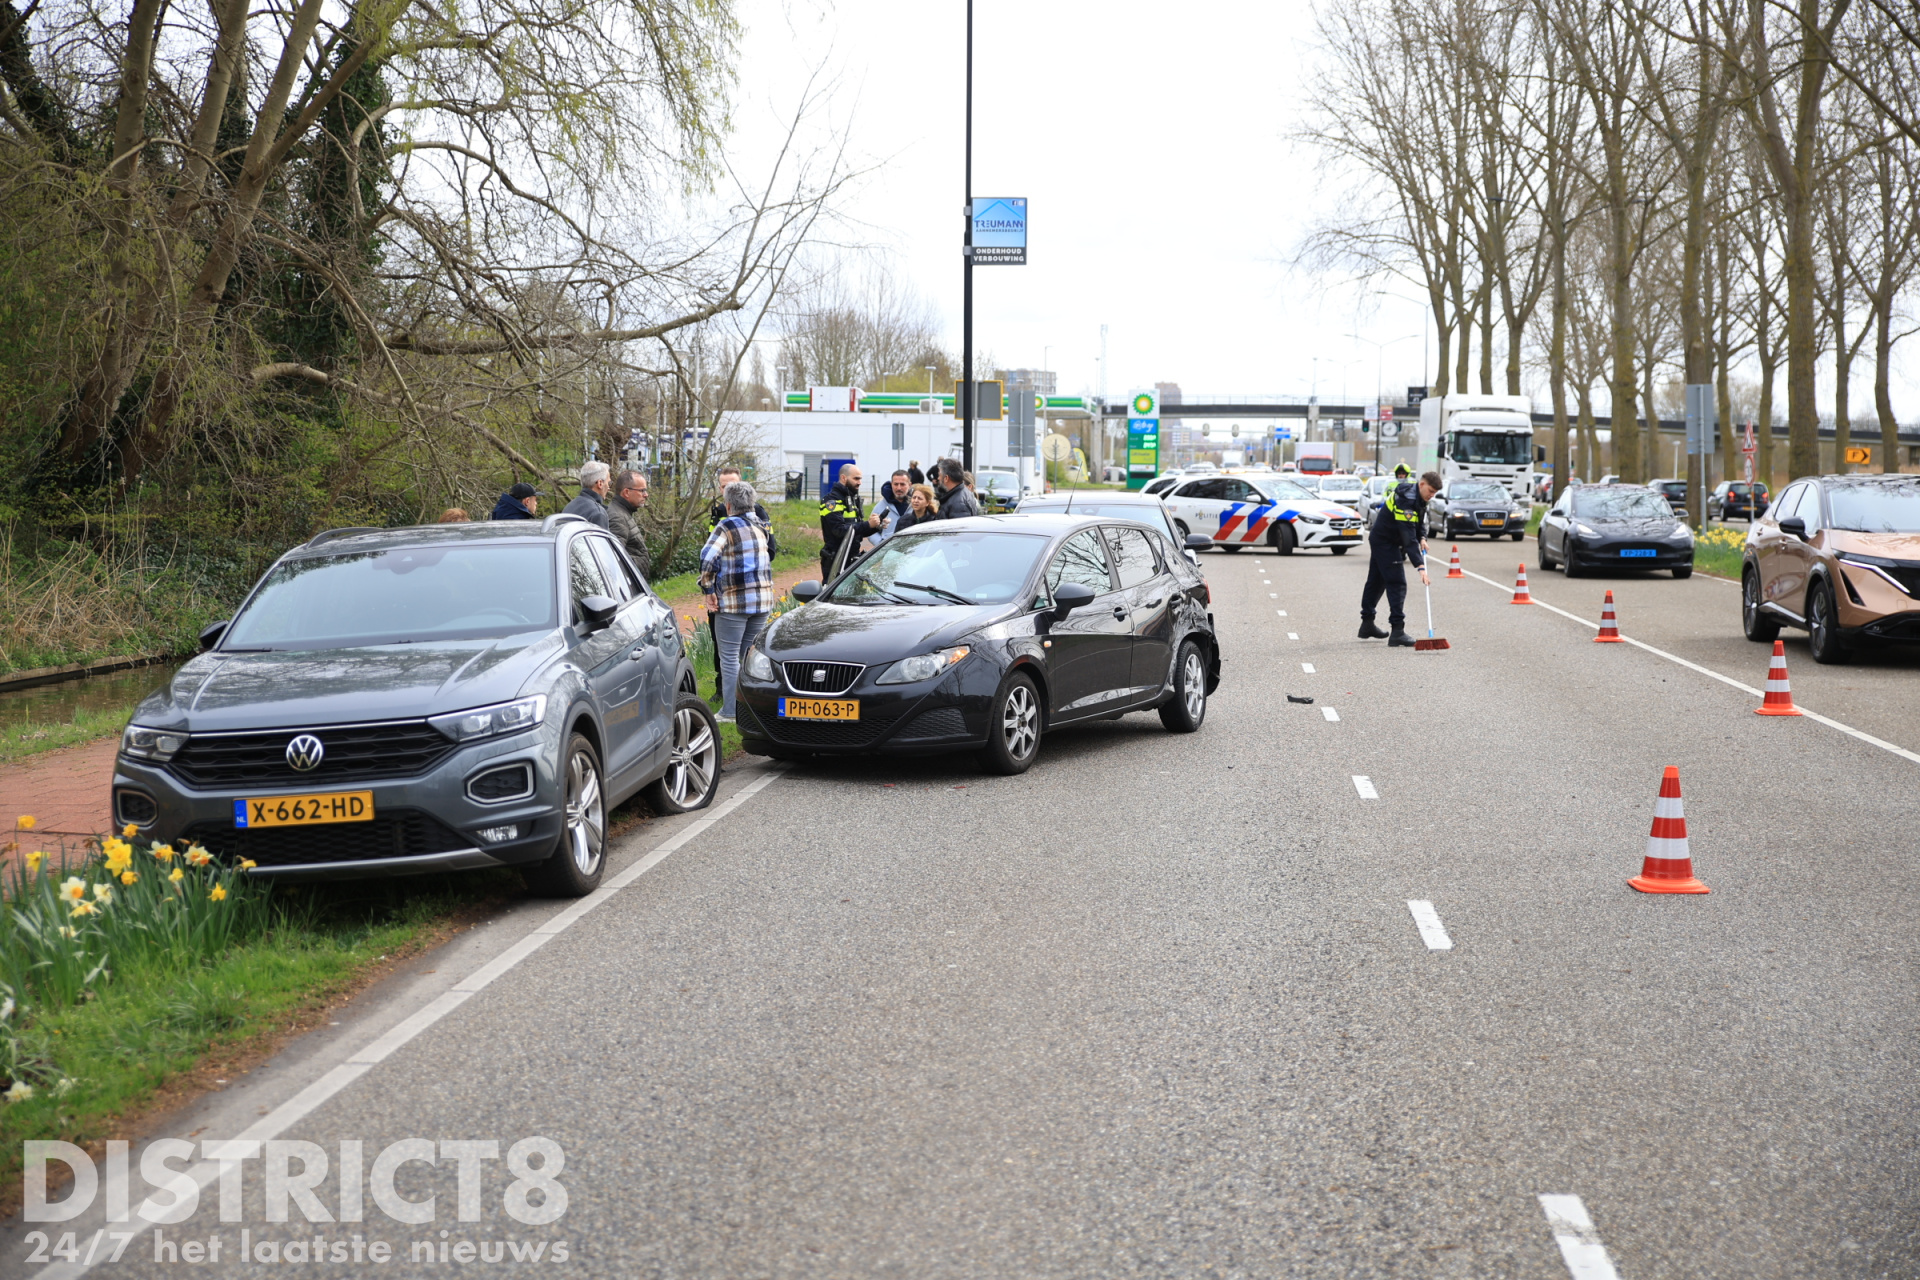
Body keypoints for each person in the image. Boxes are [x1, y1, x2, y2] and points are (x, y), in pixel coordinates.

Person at [700, 480, 774, 723]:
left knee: (730, 657)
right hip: (762, 602)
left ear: (729, 505)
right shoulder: (762, 525)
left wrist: (708, 588)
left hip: (734, 603)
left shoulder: (726, 525)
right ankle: (753, 710)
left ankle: (730, 711)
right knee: (749, 657)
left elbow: (707, 557)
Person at [1360, 469, 1439, 648]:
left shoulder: (1420, 497)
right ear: (1422, 484)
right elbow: (1408, 538)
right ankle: (1397, 631)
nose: (1432, 495)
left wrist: (1423, 537)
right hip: (1385, 542)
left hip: (1384, 539)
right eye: (1431, 491)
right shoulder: (1406, 500)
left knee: (1376, 581)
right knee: (1397, 583)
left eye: (1435, 493)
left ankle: (1367, 624)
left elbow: (1419, 522)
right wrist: (1420, 567)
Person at [819, 464, 865, 577]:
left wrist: (876, 525)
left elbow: (858, 531)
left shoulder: (852, 499)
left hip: (852, 557)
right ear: (844, 478)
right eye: (856, 479)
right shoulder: (831, 501)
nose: (859, 482)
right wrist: (868, 525)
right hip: (836, 560)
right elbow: (839, 530)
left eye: (860, 479)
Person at [608, 469, 650, 575]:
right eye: (642, 490)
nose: (646, 495)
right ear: (626, 492)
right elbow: (615, 559)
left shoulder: (623, 512)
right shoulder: (617, 517)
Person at [564, 461, 611, 529]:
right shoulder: (597, 513)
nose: (608, 488)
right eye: (608, 483)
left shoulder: (569, 506)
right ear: (600, 483)